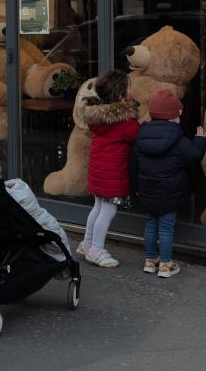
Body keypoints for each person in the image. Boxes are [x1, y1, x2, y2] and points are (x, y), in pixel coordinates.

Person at [131, 90, 206, 278]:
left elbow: (133, 164)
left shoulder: (141, 136)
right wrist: (200, 140)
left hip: (147, 190)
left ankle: (150, 261)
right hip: (170, 192)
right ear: (176, 116)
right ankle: (166, 264)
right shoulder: (178, 139)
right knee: (165, 227)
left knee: (150, 224)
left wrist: (137, 188)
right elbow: (193, 157)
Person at [77, 69, 139, 268]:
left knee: (97, 207)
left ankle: (87, 243)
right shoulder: (123, 119)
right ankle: (96, 249)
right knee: (108, 211)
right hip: (113, 172)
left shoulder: (99, 117)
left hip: (98, 171)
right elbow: (135, 136)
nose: (132, 89)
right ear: (121, 95)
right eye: (129, 87)